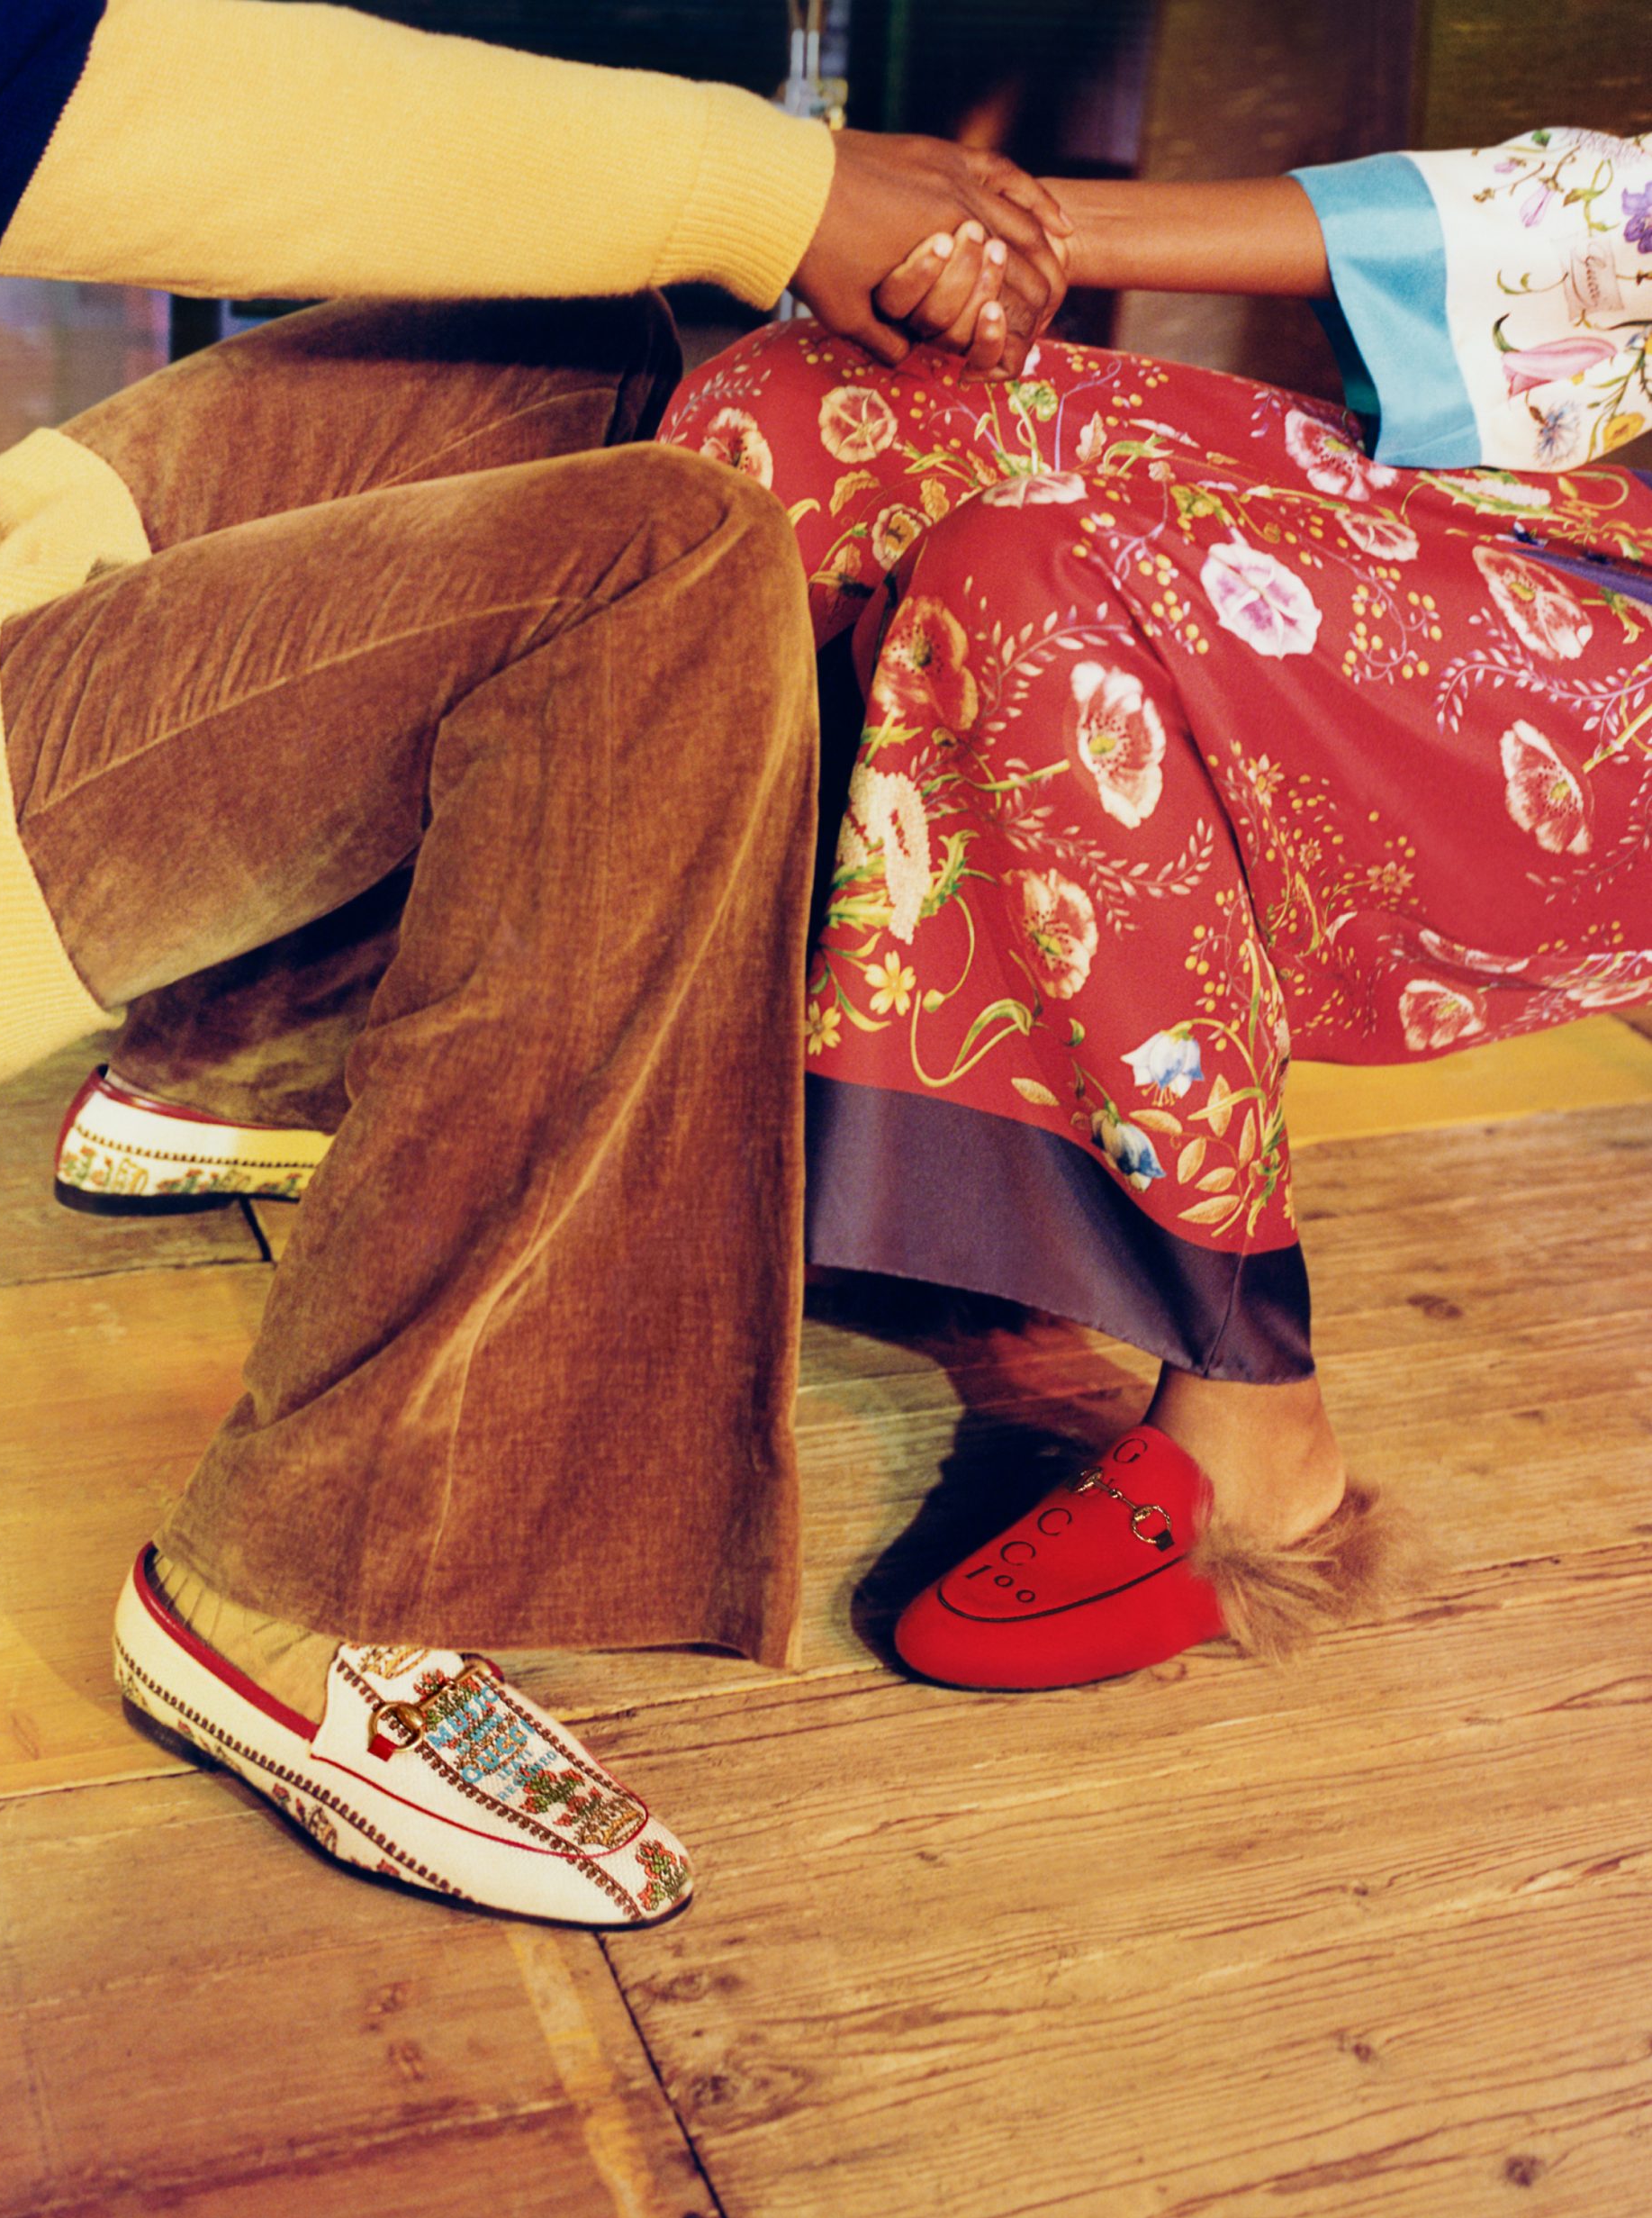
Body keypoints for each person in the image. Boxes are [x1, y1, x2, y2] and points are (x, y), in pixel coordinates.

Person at [0, 0, 1072, 1923]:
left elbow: (41, 74)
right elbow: (101, 107)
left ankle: (240, 1060)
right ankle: (314, 1585)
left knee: (582, 348)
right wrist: (782, 183)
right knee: (660, 576)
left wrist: (779, 198)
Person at [658, 127, 1652, 1689]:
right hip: (1599, 542)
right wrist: (984, 232)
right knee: (799, 413)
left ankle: (1257, 1426)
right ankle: (753, 1128)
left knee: (1036, 580)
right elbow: (1584, 221)